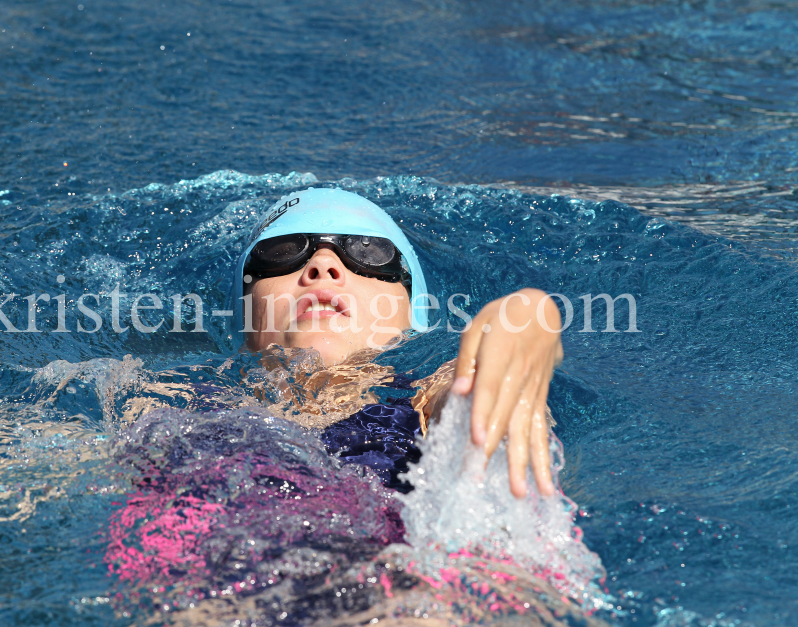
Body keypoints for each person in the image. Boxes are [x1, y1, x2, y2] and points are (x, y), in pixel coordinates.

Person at [234, 188, 564, 499]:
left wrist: (526, 320)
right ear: (245, 315)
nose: (323, 266)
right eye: (280, 254)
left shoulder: (426, 406)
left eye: (369, 252)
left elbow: (476, 397)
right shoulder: (189, 402)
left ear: (412, 314)